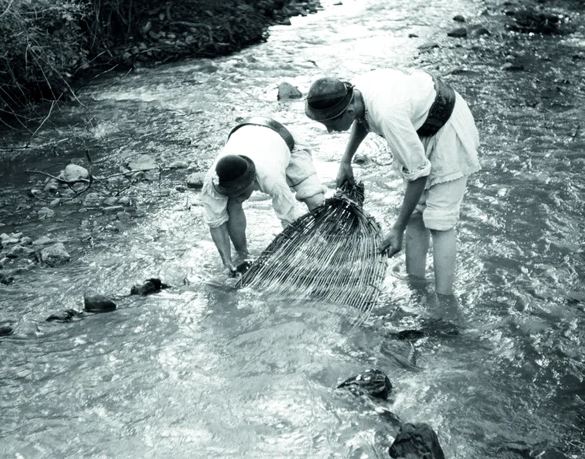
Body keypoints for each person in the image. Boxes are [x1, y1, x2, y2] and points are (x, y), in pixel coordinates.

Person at [304, 69, 481, 296]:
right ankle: (416, 287)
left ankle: (444, 301)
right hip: (419, 125)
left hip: (447, 127)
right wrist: (346, 161)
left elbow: (419, 174)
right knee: (416, 214)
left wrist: (397, 228)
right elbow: (362, 118)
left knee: (440, 220)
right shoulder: (354, 94)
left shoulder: (388, 114)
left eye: (329, 124)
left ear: (347, 110)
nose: (328, 130)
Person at [201, 117, 327, 275]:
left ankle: (332, 242)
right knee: (232, 204)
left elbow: (290, 220)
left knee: (315, 200)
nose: (239, 197)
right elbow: (215, 223)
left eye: (241, 193)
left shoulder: (272, 179)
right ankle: (242, 254)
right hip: (246, 133)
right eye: (231, 193)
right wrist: (227, 261)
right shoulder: (213, 181)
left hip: (288, 143)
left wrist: (289, 260)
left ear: (254, 180)